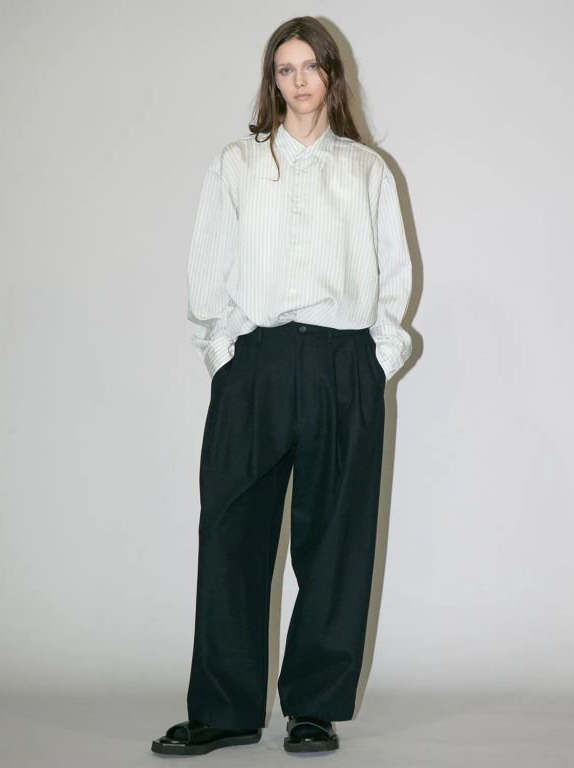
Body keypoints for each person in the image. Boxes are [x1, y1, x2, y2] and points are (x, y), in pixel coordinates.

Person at [152, 15, 412, 757]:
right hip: (257, 364)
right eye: (284, 69)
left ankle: (313, 708)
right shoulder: (237, 164)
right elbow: (208, 268)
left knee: (336, 541)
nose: (299, 81)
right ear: (272, 80)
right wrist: (224, 357)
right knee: (231, 534)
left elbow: (393, 274)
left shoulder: (366, 170)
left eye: (310, 66)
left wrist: (376, 359)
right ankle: (225, 711)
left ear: (332, 74)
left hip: (342, 363)